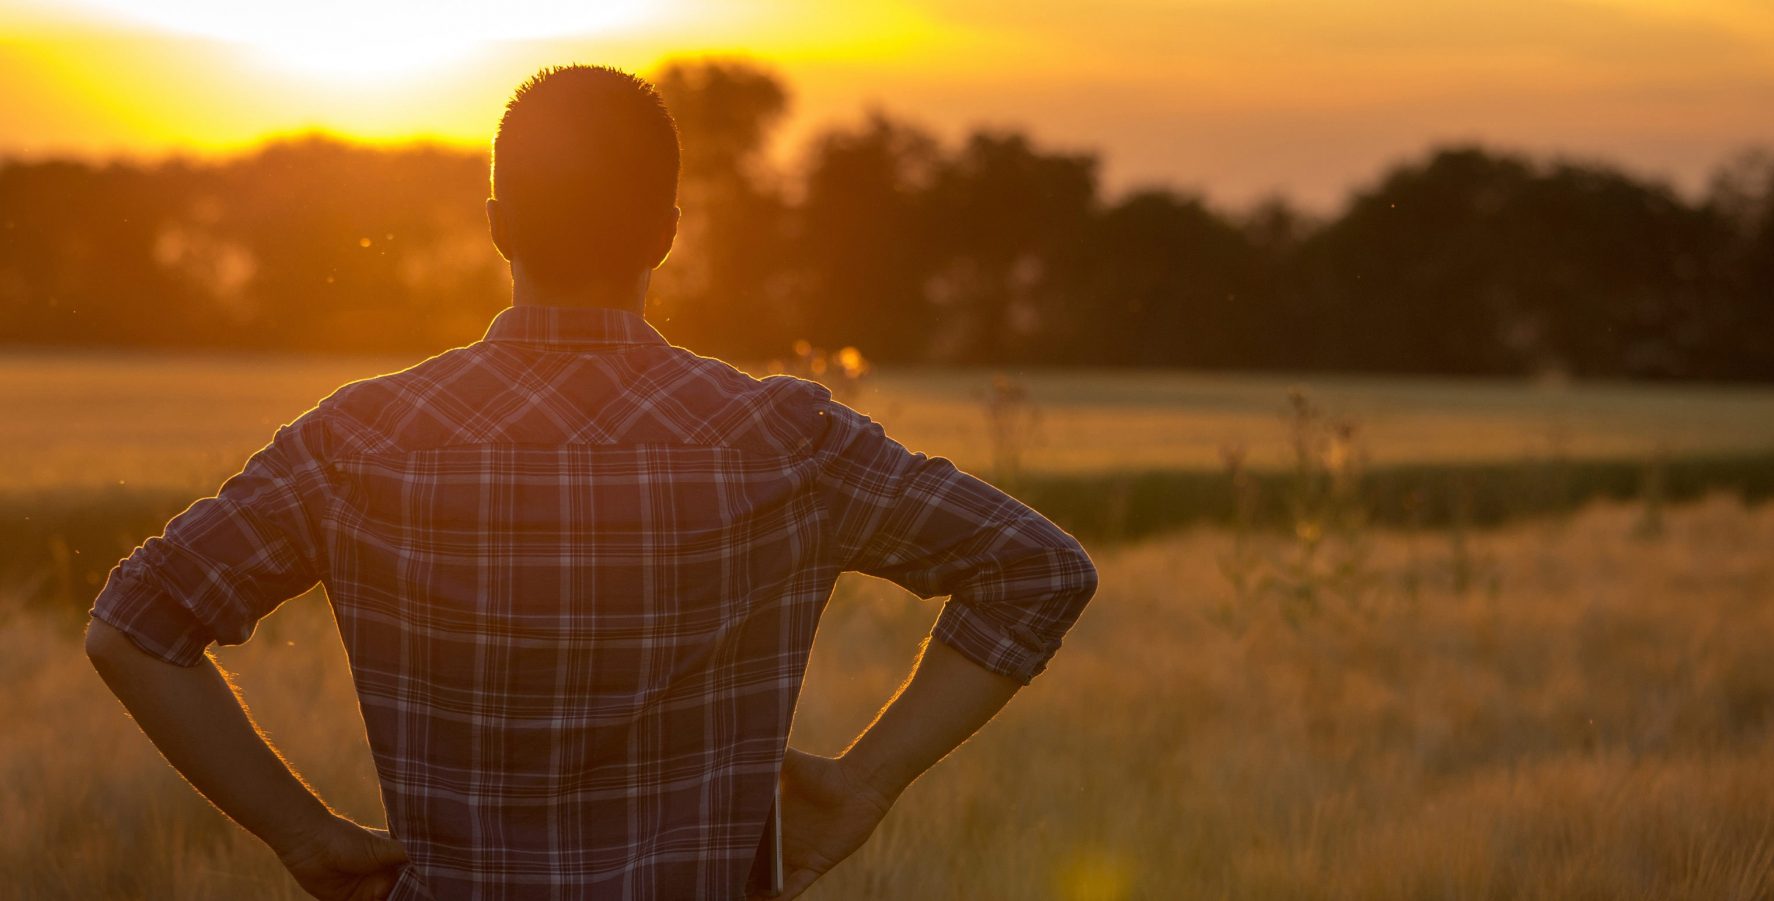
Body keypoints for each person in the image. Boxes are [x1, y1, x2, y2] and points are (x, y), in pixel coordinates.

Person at [83, 64, 1099, 900]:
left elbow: (132, 625)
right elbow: (1039, 570)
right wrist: (863, 782)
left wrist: (300, 832)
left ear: (496, 225)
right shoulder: (786, 443)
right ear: (666, 231)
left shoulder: (360, 442)